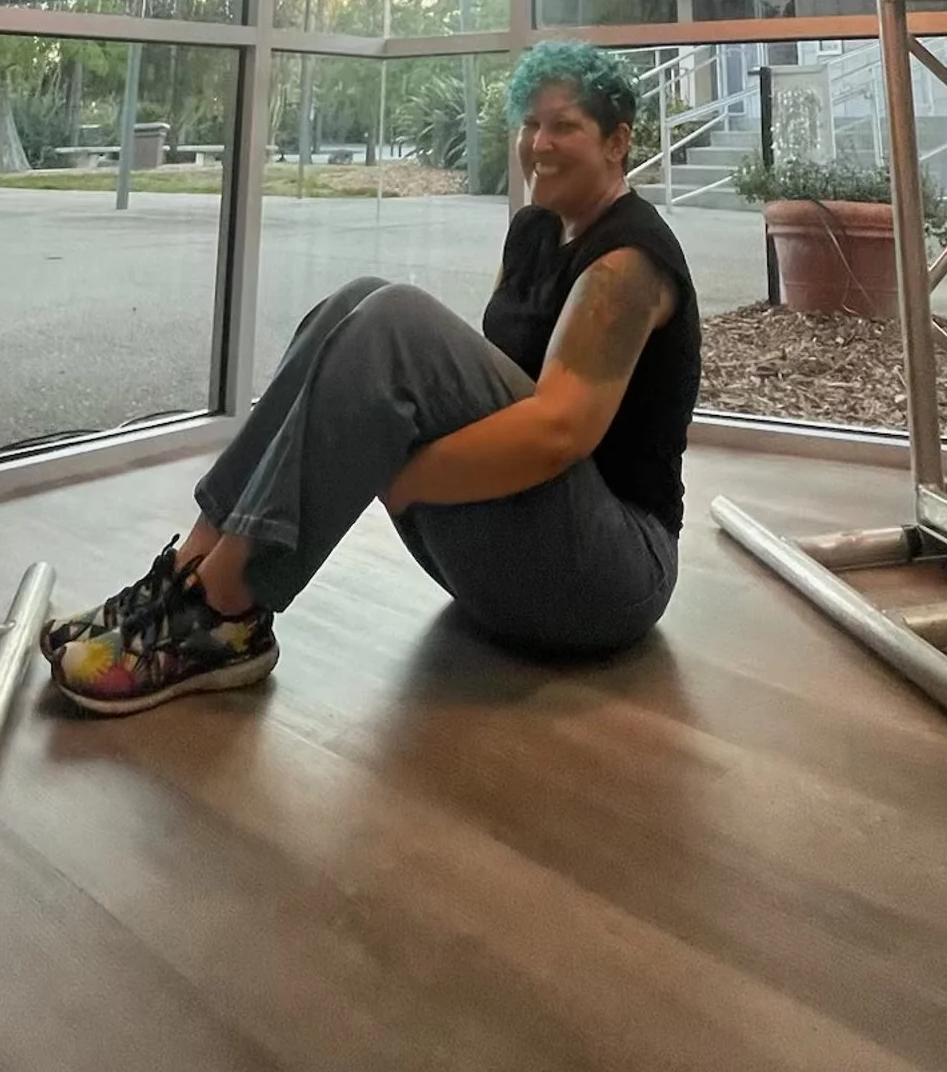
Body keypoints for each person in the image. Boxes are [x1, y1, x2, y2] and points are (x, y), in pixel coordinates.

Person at [43, 42, 702, 713]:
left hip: (610, 578)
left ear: (618, 141)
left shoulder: (631, 260)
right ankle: (189, 574)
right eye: (530, 123)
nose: (538, 143)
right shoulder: (534, 232)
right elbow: (488, 381)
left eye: (564, 125)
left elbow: (560, 429)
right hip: (520, 550)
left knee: (395, 316)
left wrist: (397, 471)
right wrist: (371, 434)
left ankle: (225, 608)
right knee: (356, 299)